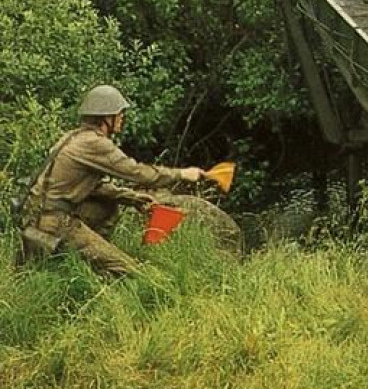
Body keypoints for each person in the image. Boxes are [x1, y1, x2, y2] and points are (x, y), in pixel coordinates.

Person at [19, 84, 239, 275]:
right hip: (54, 223)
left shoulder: (72, 137)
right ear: (105, 118)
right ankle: (99, 266)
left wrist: (134, 198)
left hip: (35, 215)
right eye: (119, 113)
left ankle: (87, 260)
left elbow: (95, 188)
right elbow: (138, 173)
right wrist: (182, 174)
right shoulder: (95, 144)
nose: (122, 118)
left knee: (108, 207)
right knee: (129, 270)